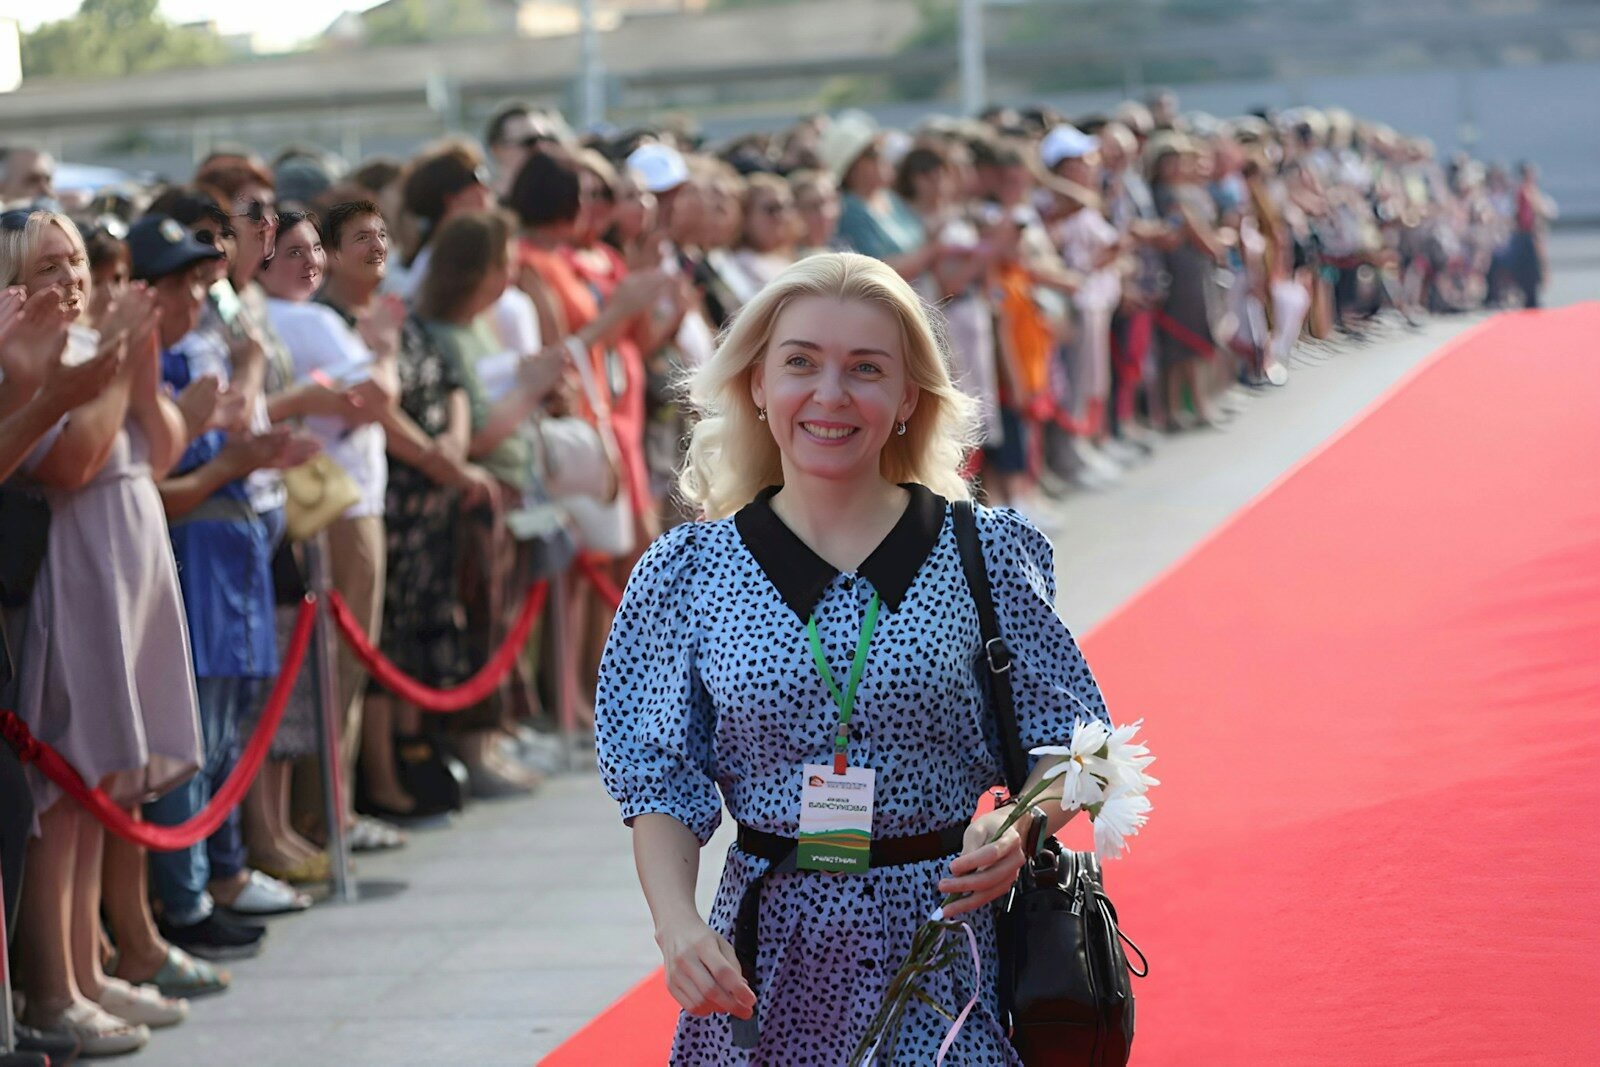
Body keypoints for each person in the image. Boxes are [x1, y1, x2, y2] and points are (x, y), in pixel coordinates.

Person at [598, 252, 1111, 1063]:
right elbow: (660, 775)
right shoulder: (688, 571)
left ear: (909, 395)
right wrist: (677, 924)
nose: (830, 395)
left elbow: (1087, 748)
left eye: (865, 369)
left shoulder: (984, 551)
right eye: (800, 362)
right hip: (762, 967)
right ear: (757, 383)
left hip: (945, 954)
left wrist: (1019, 824)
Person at [1, 209, 198, 1057]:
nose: (73, 279)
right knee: (64, 782)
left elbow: (157, 451)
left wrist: (133, 365)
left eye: (77, 260)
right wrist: (112, 364)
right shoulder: (31, 360)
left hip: (123, 562)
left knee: (103, 782)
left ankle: (86, 968)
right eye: (49, 265)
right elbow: (72, 460)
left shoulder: (91, 350)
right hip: (69, 569)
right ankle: (52, 987)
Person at [258, 210, 405, 852]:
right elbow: (380, 396)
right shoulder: (308, 320)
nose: (310, 262)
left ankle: (323, 815)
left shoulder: (269, 319)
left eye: (315, 248)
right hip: (340, 507)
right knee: (339, 667)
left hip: (321, 503)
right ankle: (330, 817)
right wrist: (383, 349)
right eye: (292, 252)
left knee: (330, 666)